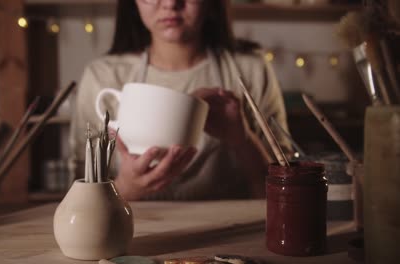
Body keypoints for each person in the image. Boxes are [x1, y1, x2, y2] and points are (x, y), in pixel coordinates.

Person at [70, 0, 291, 200]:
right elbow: (80, 199)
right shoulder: (103, 77)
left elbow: (286, 193)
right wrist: (126, 188)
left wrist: (243, 140)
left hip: (233, 235)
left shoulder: (251, 70)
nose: (170, 3)